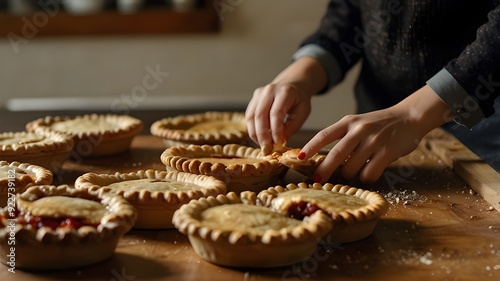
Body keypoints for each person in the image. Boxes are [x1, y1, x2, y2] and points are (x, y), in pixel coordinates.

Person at [245, 0, 500, 184]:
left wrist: (412, 115)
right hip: (374, 141)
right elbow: (353, 11)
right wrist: (301, 75)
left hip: (485, 141)